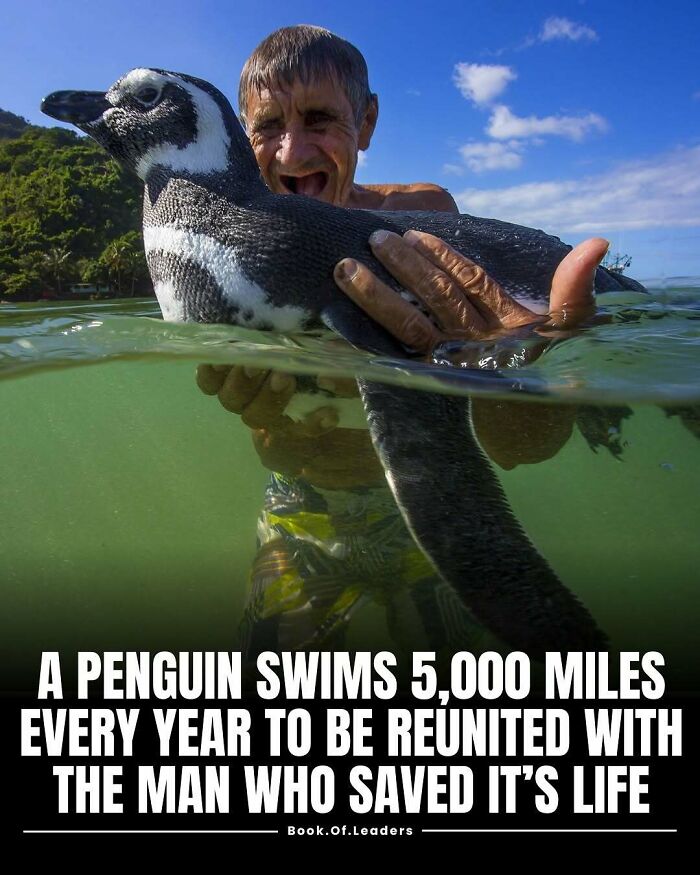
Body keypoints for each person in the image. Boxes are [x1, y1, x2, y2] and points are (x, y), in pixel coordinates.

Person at [196, 25, 608, 656]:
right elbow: (268, 426)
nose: (291, 152)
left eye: (319, 119)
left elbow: (518, 447)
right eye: (266, 126)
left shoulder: (424, 220)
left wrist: (512, 354)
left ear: (366, 122)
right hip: (300, 509)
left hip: (417, 510)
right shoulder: (229, 249)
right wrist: (254, 405)